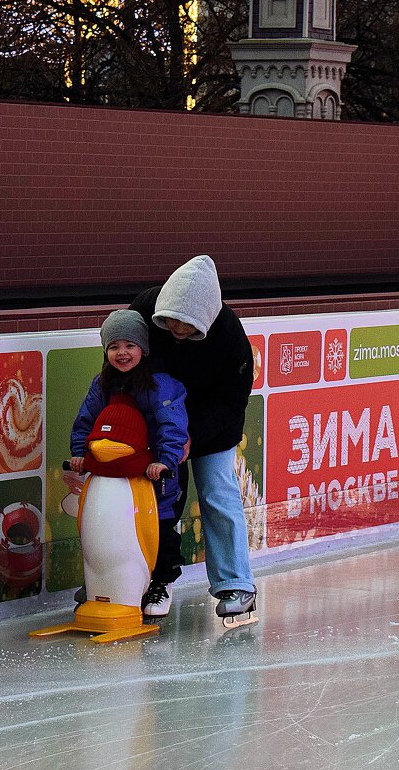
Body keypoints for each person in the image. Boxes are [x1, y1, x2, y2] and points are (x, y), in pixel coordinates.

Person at [130, 254, 258, 626]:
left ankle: (236, 584)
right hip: (160, 418)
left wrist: (192, 435)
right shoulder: (145, 309)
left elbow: (233, 398)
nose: (174, 329)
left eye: (184, 325)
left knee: (218, 490)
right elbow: (122, 357)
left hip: (211, 424)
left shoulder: (229, 335)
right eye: (168, 321)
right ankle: (155, 579)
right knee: (160, 497)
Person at [69, 309, 189, 617]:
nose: (122, 353)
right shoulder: (103, 385)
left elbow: (171, 425)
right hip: (115, 475)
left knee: (158, 526)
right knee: (109, 526)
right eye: (114, 347)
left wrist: (164, 460)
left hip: (152, 475)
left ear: (143, 349)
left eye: (129, 345)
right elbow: (87, 420)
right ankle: (106, 582)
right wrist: (80, 452)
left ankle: (162, 580)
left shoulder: (158, 386)